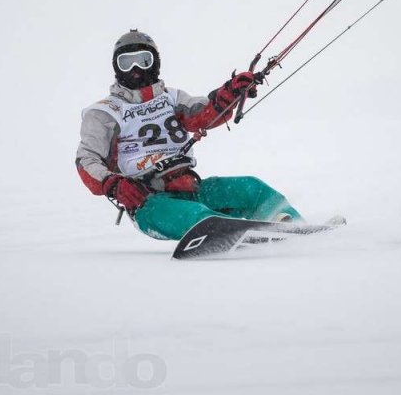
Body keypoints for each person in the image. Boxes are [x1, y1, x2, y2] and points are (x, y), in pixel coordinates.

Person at [76, 29, 302, 240]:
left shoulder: (172, 99)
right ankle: (231, 232)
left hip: (190, 188)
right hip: (150, 201)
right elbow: (86, 159)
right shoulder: (104, 112)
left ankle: (291, 224)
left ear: (156, 62)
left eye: (144, 60)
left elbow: (204, 114)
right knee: (196, 215)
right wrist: (113, 184)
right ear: (116, 68)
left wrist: (230, 93)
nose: (136, 69)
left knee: (251, 188)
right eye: (126, 63)